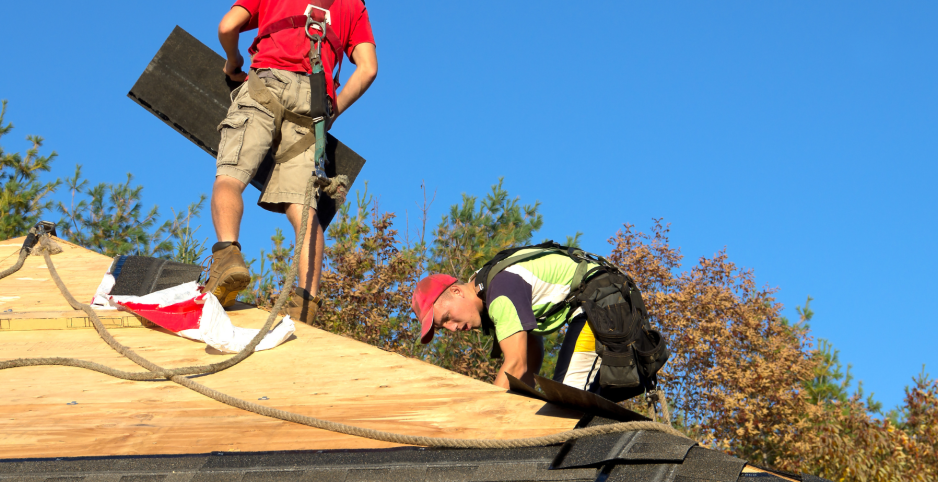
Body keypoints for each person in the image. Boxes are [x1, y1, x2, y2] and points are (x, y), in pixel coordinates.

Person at [203, 0, 377, 324]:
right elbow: (368, 68)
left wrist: (233, 59)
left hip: (267, 83)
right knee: (304, 208)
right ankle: (306, 303)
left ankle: (227, 257)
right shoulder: (355, 6)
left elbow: (227, 26)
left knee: (230, 177)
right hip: (314, 102)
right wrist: (332, 111)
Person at [410, 244, 669, 399]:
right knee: (571, 403)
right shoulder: (490, 291)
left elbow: (516, 363)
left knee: (567, 399)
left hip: (601, 304)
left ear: (456, 291)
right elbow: (528, 362)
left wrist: (487, 417)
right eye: (443, 327)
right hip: (606, 300)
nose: (452, 328)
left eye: (446, 318)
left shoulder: (499, 293)